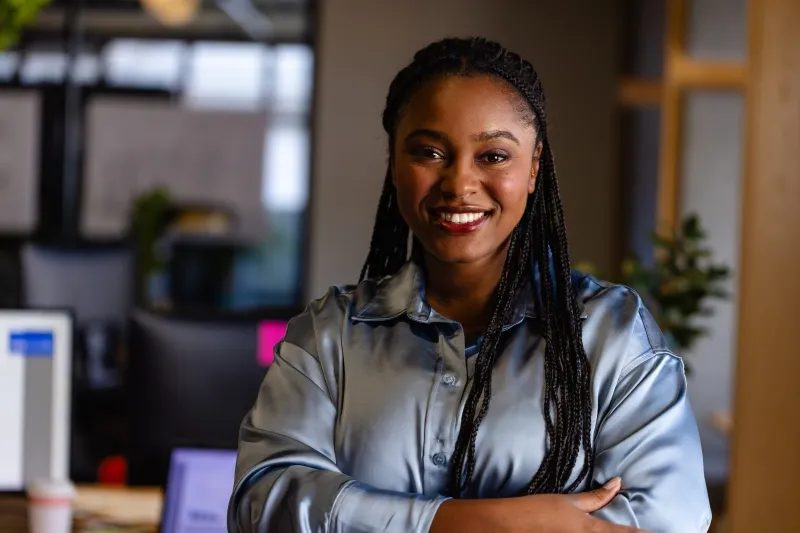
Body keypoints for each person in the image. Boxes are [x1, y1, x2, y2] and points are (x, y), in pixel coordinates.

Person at [227, 37, 712, 533]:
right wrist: (483, 523)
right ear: (395, 163)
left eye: (494, 155)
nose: (459, 183)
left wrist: (360, 515)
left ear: (534, 166)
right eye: (430, 152)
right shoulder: (329, 334)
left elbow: (664, 522)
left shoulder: (613, 336)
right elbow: (265, 505)